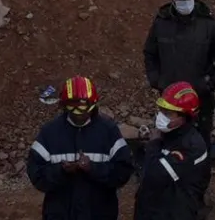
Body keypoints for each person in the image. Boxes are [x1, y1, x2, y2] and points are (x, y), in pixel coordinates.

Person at [142, 0, 215, 151]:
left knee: (199, 148)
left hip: (200, 100)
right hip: (170, 102)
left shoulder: (208, 24)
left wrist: (211, 83)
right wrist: (157, 80)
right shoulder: (162, 23)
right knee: (171, 148)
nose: (186, 2)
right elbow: (150, 53)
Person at [27, 76, 135, 220]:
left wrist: (93, 168)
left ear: (94, 104)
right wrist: (61, 171)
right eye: (73, 106)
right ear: (64, 105)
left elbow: (123, 173)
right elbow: (37, 175)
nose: (79, 113)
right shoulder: (50, 133)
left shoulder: (108, 131)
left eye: (84, 107)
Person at [133, 83, 208, 220]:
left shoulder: (191, 147)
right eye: (161, 110)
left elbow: (156, 175)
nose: (161, 117)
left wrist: (153, 144)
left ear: (184, 117)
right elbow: (142, 171)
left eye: (167, 113)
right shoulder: (168, 134)